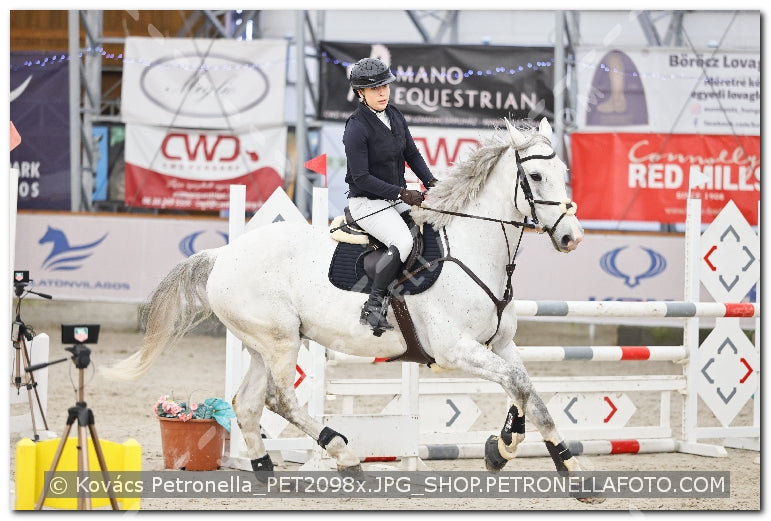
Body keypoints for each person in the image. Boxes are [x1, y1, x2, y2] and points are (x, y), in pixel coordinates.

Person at [343, 57, 438, 333]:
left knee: (431, 226)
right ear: (360, 93)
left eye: (384, 86)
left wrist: (431, 182)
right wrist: (402, 193)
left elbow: (412, 153)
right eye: (374, 89)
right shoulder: (356, 127)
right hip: (367, 203)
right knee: (402, 241)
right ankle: (373, 305)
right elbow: (361, 178)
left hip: (393, 199)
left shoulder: (394, 114)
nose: (382, 92)